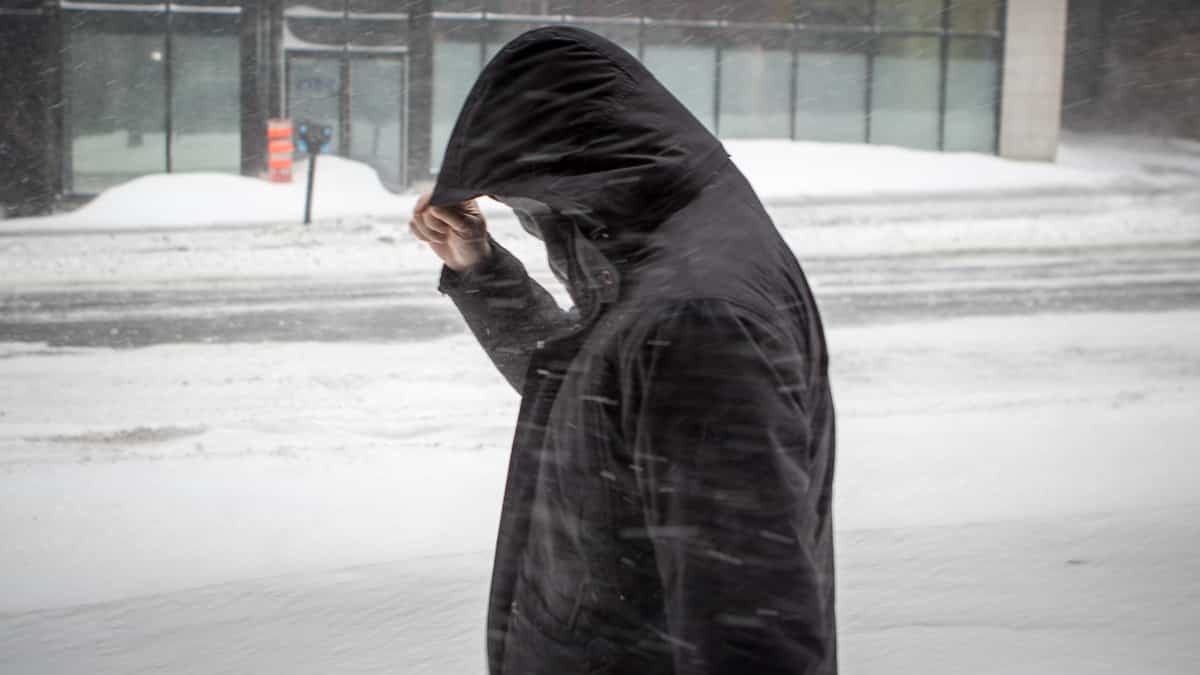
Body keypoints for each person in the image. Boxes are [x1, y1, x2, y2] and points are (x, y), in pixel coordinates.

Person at [409, 27, 837, 675]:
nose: (533, 220)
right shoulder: (667, 259)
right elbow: (597, 399)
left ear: (576, 175)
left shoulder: (697, 316)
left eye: (530, 202)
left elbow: (751, 635)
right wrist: (481, 267)